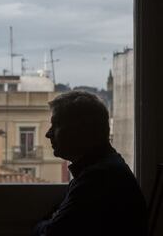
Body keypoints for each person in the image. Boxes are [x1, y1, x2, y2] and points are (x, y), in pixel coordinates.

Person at [33, 91, 147, 236]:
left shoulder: (97, 179)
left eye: (56, 125)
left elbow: (49, 233)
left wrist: (43, 224)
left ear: (80, 130)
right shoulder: (101, 169)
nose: (48, 134)